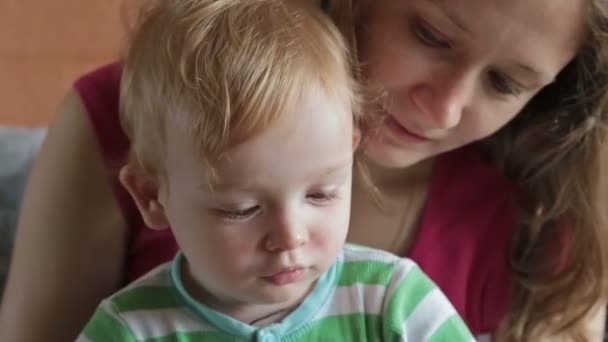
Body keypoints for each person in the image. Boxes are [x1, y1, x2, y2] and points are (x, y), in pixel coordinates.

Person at [1, 0, 607, 341]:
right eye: (430, 34)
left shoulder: (538, 219)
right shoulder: (131, 120)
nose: (443, 107)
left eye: (505, 83)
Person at [75, 0, 474, 341]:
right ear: (150, 195)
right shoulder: (128, 329)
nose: (290, 237)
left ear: (350, 153)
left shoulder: (393, 301)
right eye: (241, 209)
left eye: (321, 193)